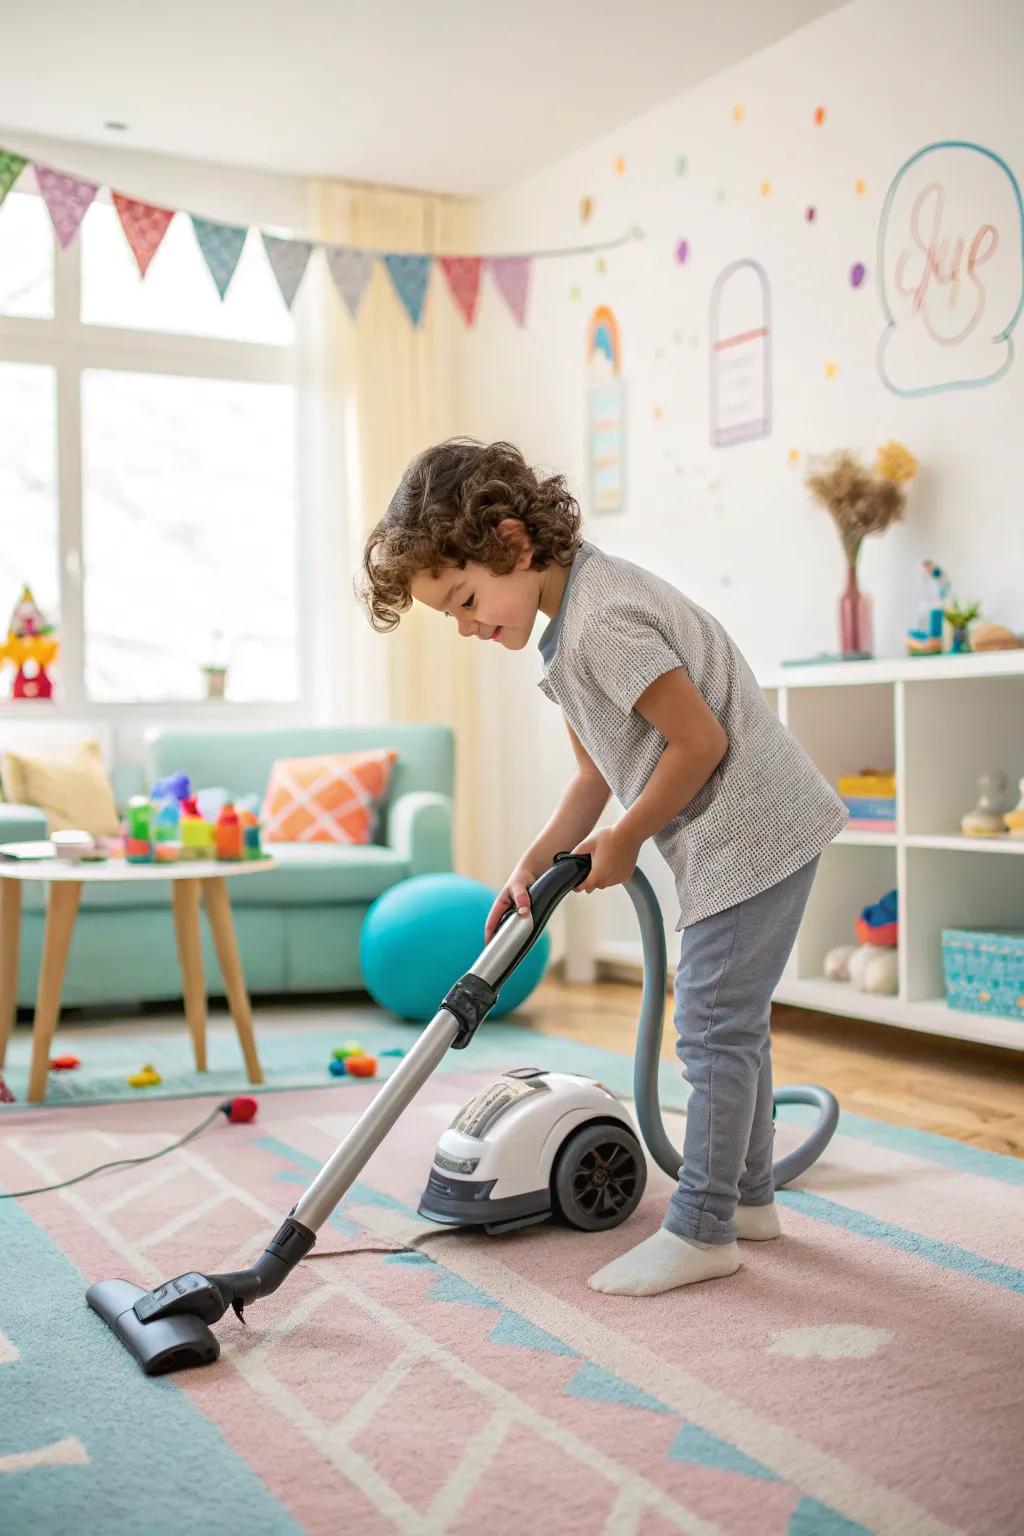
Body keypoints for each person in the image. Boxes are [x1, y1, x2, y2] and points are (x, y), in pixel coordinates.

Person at [357, 439, 847, 1296]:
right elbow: (595, 773)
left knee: (709, 1028)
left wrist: (622, 842)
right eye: (453, 617)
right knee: (733, 1023)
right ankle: (751, 1198)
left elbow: (702, 742)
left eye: (468, 600)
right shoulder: (566, 629)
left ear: (513, 541)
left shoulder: (602, 621)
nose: (470, 627)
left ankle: (703, 1229)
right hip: (730, 835)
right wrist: (536, 858)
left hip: (753, 831)